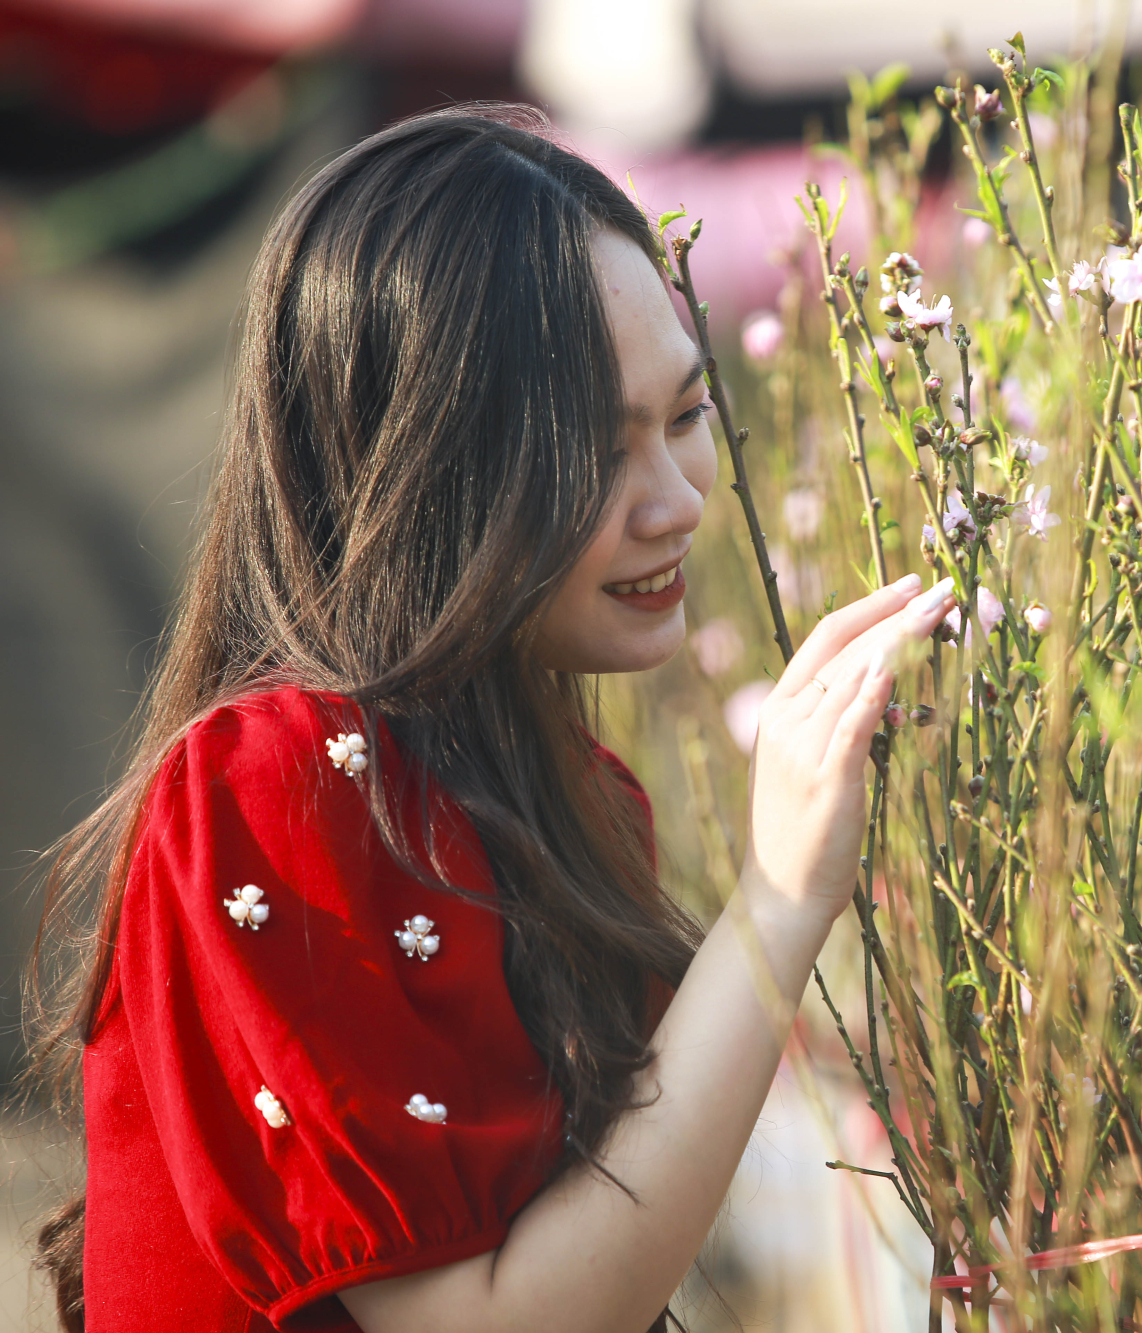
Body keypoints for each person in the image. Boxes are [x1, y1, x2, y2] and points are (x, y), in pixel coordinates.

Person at [26, 104, 957, 1333]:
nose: (677, 499)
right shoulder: (272, 786)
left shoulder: (576, 795)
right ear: (416, 464)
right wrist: (778, 900)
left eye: (682, 419)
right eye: (590, 449)